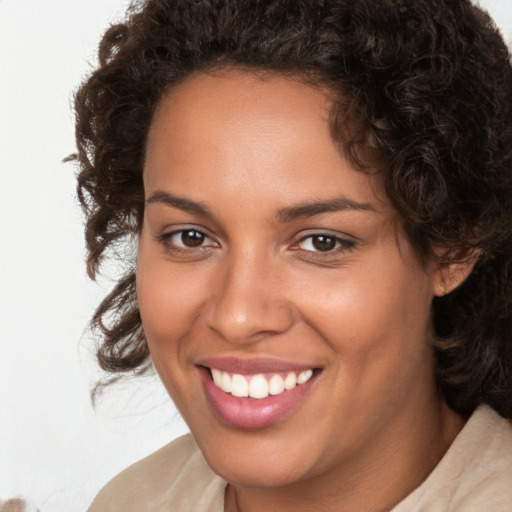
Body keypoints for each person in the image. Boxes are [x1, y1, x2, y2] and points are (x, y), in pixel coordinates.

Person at [73, 0, 512, 510]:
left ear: (452, 246)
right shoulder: (135, 501)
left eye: (321, 242)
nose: (237, 317)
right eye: (190, 237)